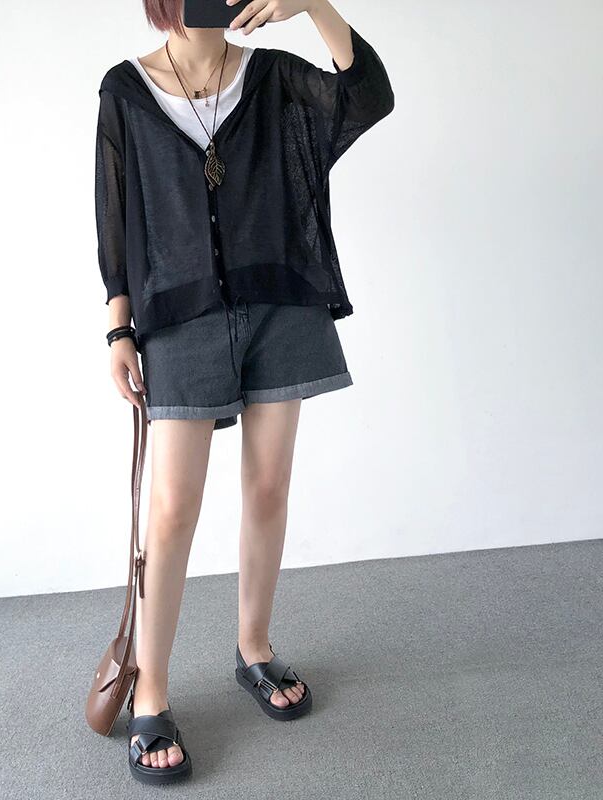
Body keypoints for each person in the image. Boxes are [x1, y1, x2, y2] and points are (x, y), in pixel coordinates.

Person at [95, 0, 394, 784]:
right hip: (179, 318)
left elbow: (367, 96)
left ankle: (253, 648)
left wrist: (314, 4)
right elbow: (115, 219)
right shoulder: (125, 91)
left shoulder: (273, 78)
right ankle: (151, 692)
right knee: (172, 510)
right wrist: (119, 330)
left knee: (267, 486)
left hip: (279, 303)